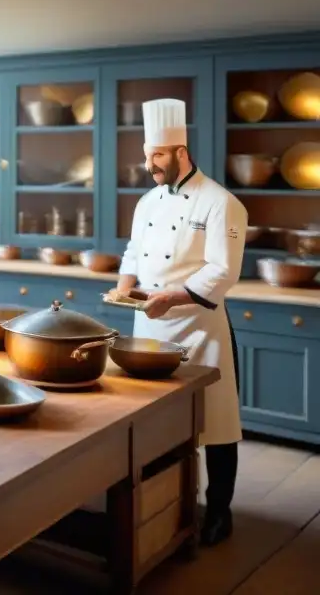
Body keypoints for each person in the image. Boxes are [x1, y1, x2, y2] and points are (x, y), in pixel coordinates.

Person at [110, 98, 247, 546]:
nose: (149, 165)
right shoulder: (147, 201)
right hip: (149, 326)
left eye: (157, 156)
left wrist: (171, 297)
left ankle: (220, 511)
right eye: (147, 155)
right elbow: (133, 251)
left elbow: (222, 270)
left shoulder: (221, 202)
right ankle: (164, 502)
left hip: (198, 328)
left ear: (182, 153)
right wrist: (124, 285)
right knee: (156, 423)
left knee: (218, 425)